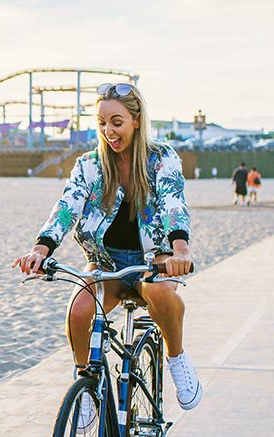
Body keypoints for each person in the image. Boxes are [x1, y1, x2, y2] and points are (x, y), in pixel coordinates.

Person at [13, 82, 202, 413]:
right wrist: (41, 250)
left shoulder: (161, 159)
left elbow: (174, 203)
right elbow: (67, 206)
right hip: (105, 262)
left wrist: (180, 250)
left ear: (136, 121)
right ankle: (87, 381)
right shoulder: (89, 164)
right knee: (79, 309)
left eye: (117, 122)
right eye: (101, 123)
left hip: (152, 260)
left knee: (158, 293)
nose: (108, 131)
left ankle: (177, 359)